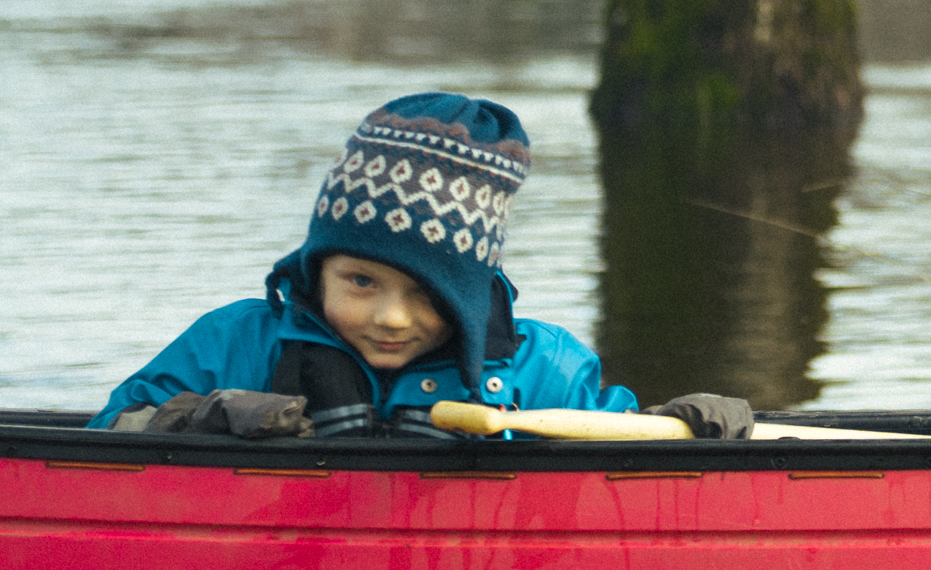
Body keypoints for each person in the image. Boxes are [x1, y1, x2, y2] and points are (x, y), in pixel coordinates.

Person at [93, 92, 751, 441]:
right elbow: (111, 430)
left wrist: (684, 424)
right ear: (316, 267)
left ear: (469, 295)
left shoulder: (541, 366)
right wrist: (203, 415)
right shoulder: (235, 341)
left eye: (427, 293)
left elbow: (622, 444)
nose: (390, 316)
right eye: (360, 282)